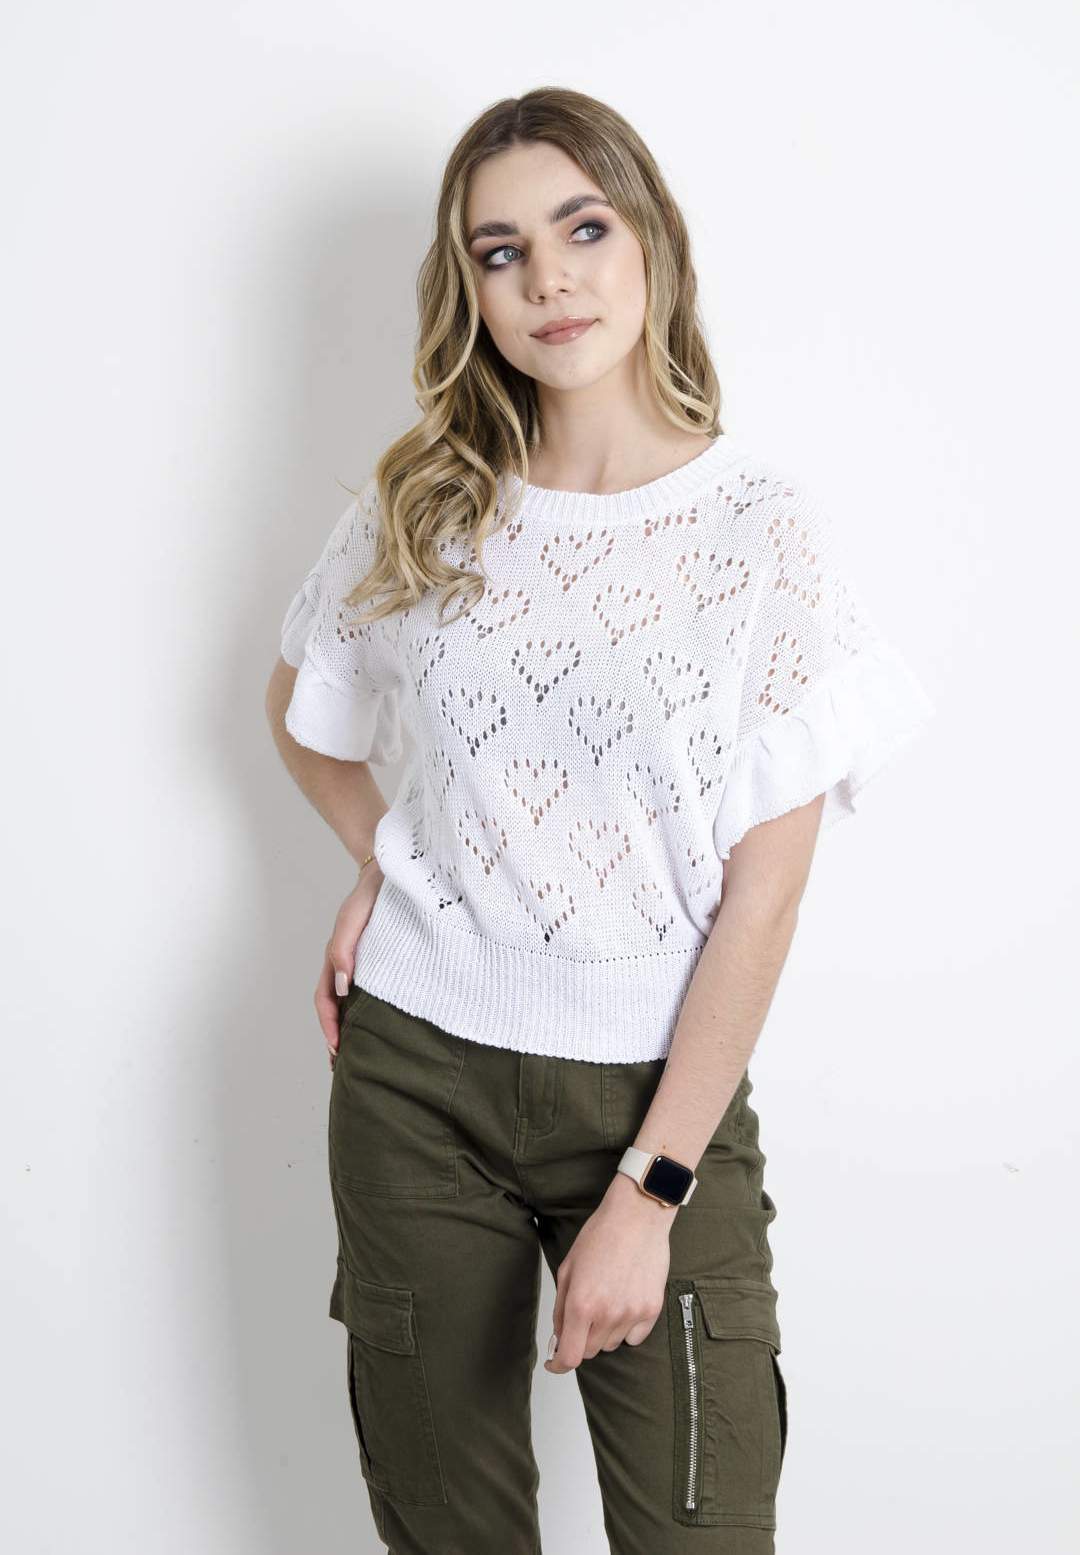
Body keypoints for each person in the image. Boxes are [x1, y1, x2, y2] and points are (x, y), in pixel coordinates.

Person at [265, 86, 934, 1555]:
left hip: (656, 1094)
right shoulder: (429, 499)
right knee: (449, 1532)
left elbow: (765, 898)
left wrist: (654, 1185)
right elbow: (303, 710)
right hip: (415, 1080)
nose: (549, 280)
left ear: (651, 243)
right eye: (501, 251)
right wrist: (387, 860)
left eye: (583, 229)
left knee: (704, 1531)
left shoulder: (761, 529)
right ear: (470, 289)